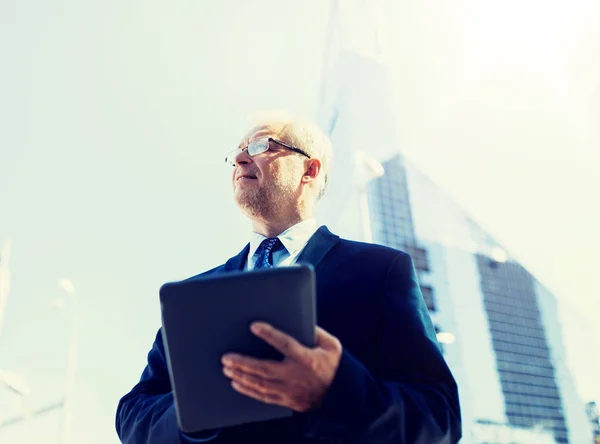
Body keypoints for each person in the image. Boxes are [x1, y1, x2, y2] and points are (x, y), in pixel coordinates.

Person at [115, 111, 462, 443]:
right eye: (236, 152)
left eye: (260, 146)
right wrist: (195, 415)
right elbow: (133, 412)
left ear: (309, 170)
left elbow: (440, 418)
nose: (239, 160)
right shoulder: (192, 296)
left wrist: (337, 391)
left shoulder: (382, 271)